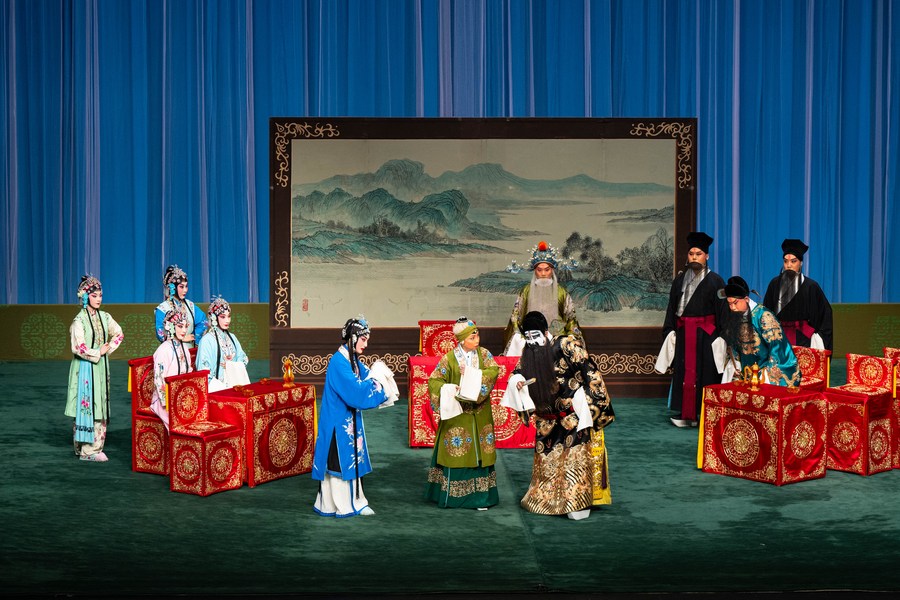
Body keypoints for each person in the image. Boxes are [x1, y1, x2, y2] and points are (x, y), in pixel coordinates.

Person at [504, 311, 614, 520]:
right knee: (547, 467)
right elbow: (517, 372)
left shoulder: (565, 344)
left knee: (574, 462)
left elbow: (591, 372)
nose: (532, 341)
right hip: (546, 421)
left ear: (546, 332)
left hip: (572, 417)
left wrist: (586, 403)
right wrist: (517, 381)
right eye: (528, 337)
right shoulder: (529, 352)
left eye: (535, 335)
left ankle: (576, 504)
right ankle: (547, 502)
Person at [312, 317, 395, 518]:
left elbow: (367, 377)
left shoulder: (352, 360)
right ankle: (343, 506)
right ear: (353, 338)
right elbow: (356, 392)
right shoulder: (339, 362)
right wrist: (378, 382)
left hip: (346, 420)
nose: (366, 344)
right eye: (363, 339)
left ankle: (349, 503)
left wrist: (377, 376)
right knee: (339, 463)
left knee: (348, 460)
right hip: (337, 422)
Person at [425, 316, 501, 509]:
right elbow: (434, 381)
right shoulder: (449, 359)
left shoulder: (484, 355)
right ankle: (452, 498)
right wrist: (450, 389)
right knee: (457, 452)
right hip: (457, 415)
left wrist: (472, 375)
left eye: (477, 336)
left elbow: (493, 371)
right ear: (461, 339)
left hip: (480, 412)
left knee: (480, 452)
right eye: (472, 337)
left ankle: (481, 499)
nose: (477, 340)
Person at [657, 231, 727, 427]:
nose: (694, 257)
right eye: (691, 254)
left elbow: (723, 311)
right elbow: (672, 308)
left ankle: (704, 413)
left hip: (706, 337)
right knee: (684, 373)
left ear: (707, 256)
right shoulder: (679, 281)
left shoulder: (717, 281)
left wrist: (722, 337)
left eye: (699, 254)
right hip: (684, 334)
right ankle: (685, 413)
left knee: (706, 373)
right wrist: (670, 330)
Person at [65, 275, 125, 462]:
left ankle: (93, 448)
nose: (99, 299)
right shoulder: (79, 320)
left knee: (100, 402)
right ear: (85, 297)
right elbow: (78, 347)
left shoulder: (105, 317)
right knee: (87, 404)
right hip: (85, 367)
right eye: (94, 295)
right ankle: (86, 450)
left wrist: (107, 350)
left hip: (100, 366)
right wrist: (98, 352)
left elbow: (119, 333)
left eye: (100, 295)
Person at [503, 240, 581, 356]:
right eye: (539, 270)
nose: (543, 274)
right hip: (529, 342)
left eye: (547, 270)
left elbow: (571, 320)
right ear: (535, 271)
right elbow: (515, 318)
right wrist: (520, 337)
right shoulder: (526, 291)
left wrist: (569, 338)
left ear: (552, 270)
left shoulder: (562, 293)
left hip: (556, 343)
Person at [720, 276, 800, 386]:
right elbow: (733, 347)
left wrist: (765, 374)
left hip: (764, 371)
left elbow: (777, 348)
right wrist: (735, 365)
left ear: (746, 299)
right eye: (729, 304)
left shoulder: (763, 316)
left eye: (735, 303)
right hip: (744, 371)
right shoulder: (735, 316)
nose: (732, 307)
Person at [762, 239, 833, 351]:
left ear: (801, 263)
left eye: (793, 261)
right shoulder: (774, 284)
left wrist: (816, 336)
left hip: (803, 339)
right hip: (778, 337)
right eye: (785, 261)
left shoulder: (811, 286)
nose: (788, 265)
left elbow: (824, 314)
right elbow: (767, 312)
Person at [150, 309, 195, 430]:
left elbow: (189, 373)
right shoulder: (163, 350)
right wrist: (168, 402)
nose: (184, 330)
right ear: (170, 326)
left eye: (185, 326)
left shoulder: (184, 347)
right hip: (164, 401)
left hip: (181, 397)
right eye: (180, 326)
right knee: (178, 420)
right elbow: (159, 380)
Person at [196, 296, 249, 391]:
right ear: (214, 318)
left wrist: (230, 366)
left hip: (235, 385)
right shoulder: (206, 341)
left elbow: (243, 358)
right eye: (223, 317)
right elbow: (203, 371)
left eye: (229, 316)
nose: (227, 320)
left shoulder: (232, 337)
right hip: (216, 389)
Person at [154, 264, 207, 348]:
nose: (185, 290)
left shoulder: (190, 306)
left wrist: (195, 337)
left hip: (189, 349)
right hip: (171, 350)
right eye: (181, 287)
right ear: (172, 288)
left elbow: (203, 322)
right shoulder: (162, 309)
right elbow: (160, 334)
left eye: (186, 286)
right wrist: (182, 338)